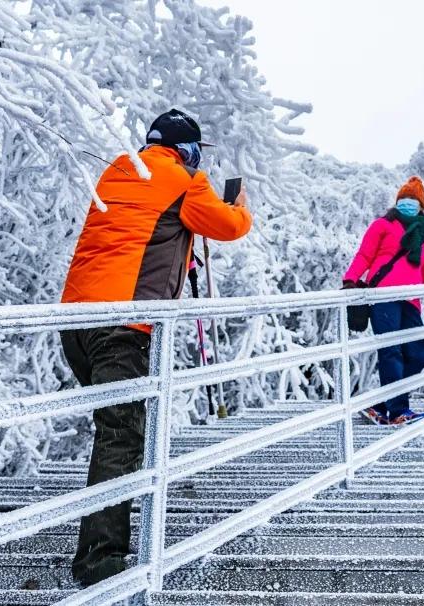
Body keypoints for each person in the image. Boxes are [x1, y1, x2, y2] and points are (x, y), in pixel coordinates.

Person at [58, 108, 251, 587]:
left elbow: (133, 237)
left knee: (114, 431)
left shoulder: (121, 168)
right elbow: (229, 226)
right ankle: (100, 567)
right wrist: (242, 203)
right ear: (187, 149)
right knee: (121, 437)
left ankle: (100, 546)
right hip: (123, 326)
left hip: (76, 322)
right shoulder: (184, 178)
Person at [342, 176, 424, 426]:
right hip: (383, 296)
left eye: (413, 200)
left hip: (411, 300)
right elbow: (365, 255)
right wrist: (350, 279)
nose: (408, 203)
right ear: (397, 201)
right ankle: (399, 411)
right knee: (391, 352)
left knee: (417, 356)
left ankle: (381, 406)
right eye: (404, 199)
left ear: (421, 206)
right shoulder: (382, 225)